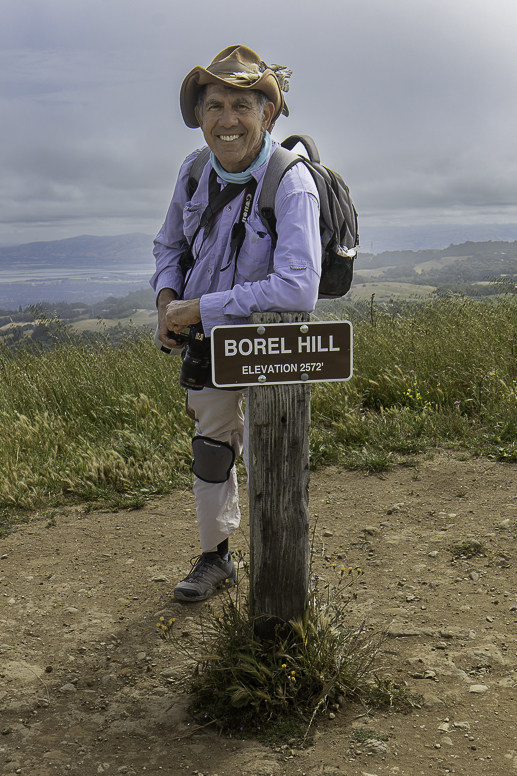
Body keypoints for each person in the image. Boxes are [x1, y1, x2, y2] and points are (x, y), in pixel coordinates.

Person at [150, 45, 321, 602]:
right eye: (215, 105)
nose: (227, 119)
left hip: (270, 343)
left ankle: (280, 562)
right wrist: (167, 301)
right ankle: (216, 556)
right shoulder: (195, 169)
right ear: (199, 115)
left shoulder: (291, 182)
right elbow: (170, 244)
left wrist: (201, 307)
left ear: (267, 114)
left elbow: (299, 289)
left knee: (273, 446)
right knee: (212, 447)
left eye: (242, 105)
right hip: (208, 339)